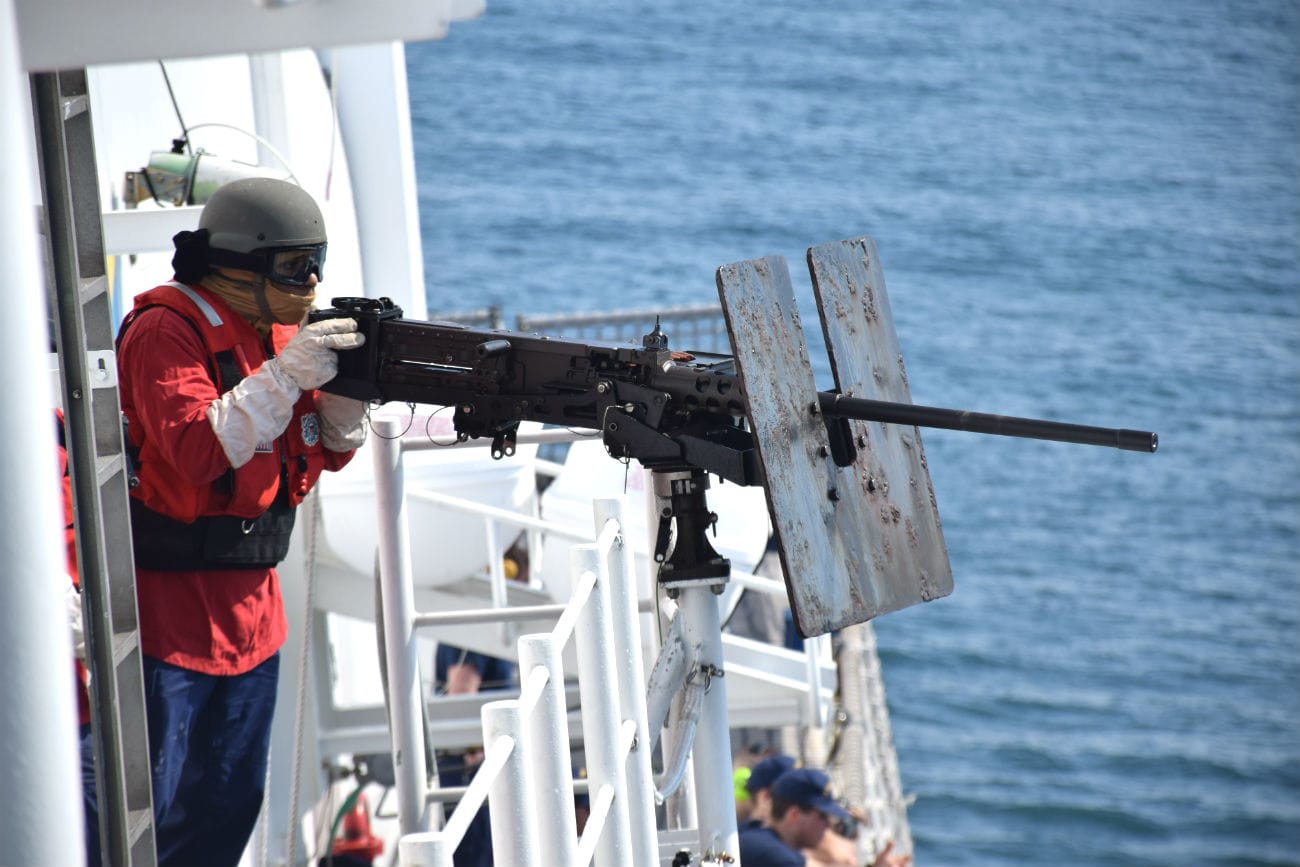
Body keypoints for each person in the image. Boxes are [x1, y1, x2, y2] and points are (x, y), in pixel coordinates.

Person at [88, 177, 368, 867]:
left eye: (317, 262)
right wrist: (287, 374)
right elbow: (195, 449)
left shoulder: (282, 334)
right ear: (237, 264)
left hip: (253, 618)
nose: (310, 282)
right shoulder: (165, 331)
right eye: (292, 266)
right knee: (139, 807)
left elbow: (322, 454)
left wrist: (344, 401)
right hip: (167, 621)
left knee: (226, 808)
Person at [738, 768, 911, 867]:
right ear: (794, 815)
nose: (828, 825)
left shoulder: (757, 832)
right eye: (822, 816)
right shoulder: (777, 856)